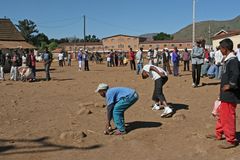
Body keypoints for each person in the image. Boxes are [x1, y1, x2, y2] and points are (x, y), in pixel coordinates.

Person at [206, 38, 240, 149]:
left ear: (225, 49)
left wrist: (230, 85)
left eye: (221, 48)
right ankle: (219, 134)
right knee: (222, 115)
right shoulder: (228, 60)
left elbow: (236, 75)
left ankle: (231, 140)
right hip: (224, 93)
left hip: (230, 94)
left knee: (228, 116)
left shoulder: (233, 61)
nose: (220, 50)